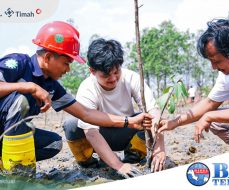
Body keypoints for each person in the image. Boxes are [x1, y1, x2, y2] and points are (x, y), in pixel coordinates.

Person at [0, 21, 152, 175]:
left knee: (53, 144)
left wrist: (129, 121)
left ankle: (6, 165)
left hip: (6, 135)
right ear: (47, 57)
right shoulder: (18, 63)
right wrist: (29, 87)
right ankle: (18, 175)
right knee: (20, 101)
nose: (68, 69)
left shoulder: (52, 86)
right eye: (66, 63)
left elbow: (86, 114)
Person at [63, 38, 166, 177]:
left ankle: (133, 157)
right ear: (92, 71)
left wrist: (159, 148)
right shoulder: (86, 89)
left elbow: (153, 111)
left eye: (116, 72)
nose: (113, 78)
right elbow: (91, 132)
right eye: (106, 75)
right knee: (72, 125)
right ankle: (88, 163)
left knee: (147, 119)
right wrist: (119, 166)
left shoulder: (131, 78)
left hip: (127, 132)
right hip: (99, 136)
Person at [157, 19, 229, 149]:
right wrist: (174, 122)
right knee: (216, 121)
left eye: (216, 61)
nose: (213, 67)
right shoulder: (228, 73)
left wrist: (209, 116)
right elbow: (210, 103)